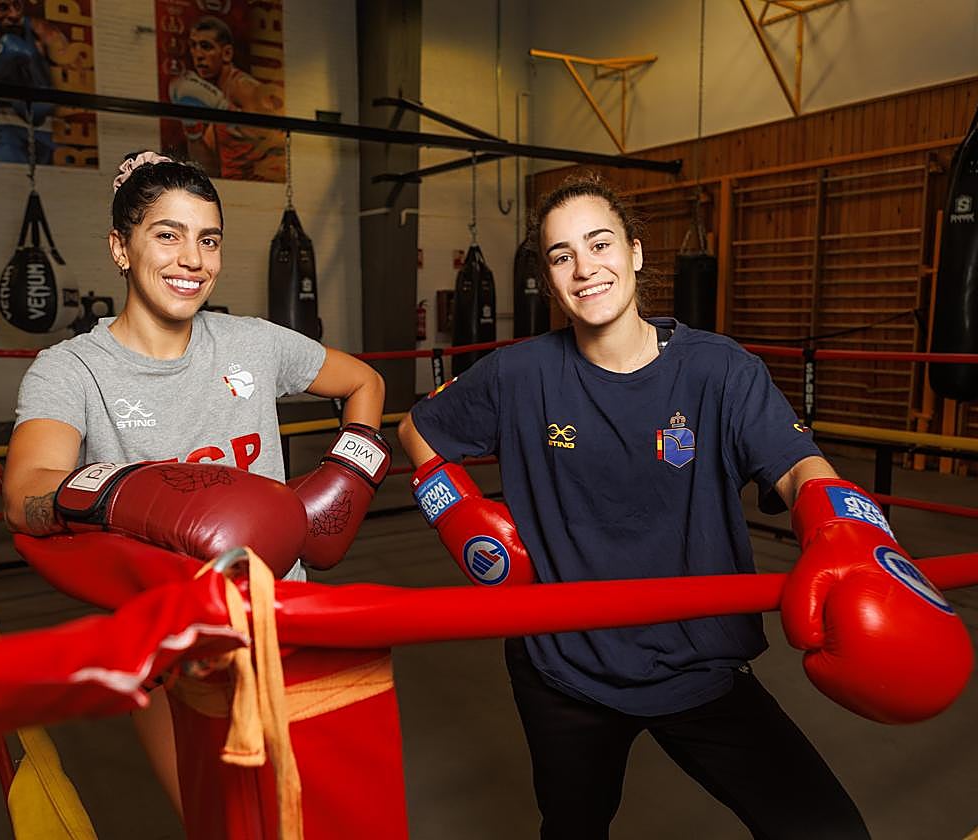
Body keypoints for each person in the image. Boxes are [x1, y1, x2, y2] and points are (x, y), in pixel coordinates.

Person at [398, 174, 968, 838]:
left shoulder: (719, 370)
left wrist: (839, 520)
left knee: (827, 830)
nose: (584, 268)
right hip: (565, 669)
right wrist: (457, 514)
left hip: (697, 663)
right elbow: (418, 429)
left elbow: (795, 466)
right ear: (550, 279)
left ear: (636, 253)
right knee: (572, 830)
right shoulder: (519, 374)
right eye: (561, 256)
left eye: (600, 243)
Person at [3, 151, 388, 815]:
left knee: (314, 813)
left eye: (208, 239)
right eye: (167, 235)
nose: (193, 259)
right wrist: (136, 496)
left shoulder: (254, 344)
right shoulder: (70, 370)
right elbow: (25, 491)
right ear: (120, 249)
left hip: (281, 626)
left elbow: (365, 382)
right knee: (222, 820)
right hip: (167, 644)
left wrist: (348, 477)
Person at [168, 15, 284, 179]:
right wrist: (191, 127)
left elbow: (270, 136)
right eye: (193, 46)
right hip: (234, 189)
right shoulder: (213, 95)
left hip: (259, 187)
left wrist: (224, 108)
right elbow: (208, 169)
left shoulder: (243, 87)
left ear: (227, 53)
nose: (198, 54)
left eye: (206, 46)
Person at [0, 0, 73, 163]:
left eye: (17, 6)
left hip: (50, 124)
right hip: (6, 123)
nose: (13, 15)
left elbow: (74, 83)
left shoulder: (44, 34)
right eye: (1, 7)